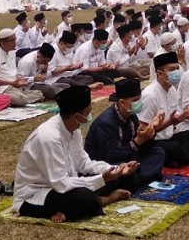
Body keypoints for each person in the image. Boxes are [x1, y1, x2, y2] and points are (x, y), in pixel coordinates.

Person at [12, 86, 138, 223]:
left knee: (118, 180)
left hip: (65, 184)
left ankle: (65, 209)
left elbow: (84, 163)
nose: (90, 116)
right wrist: (102, 179)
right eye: (88, 112)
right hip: (37, 192)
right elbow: (61, 184)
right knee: (83, 198)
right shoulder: (49, 137)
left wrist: (114, 169)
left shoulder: (74, 128)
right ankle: (106, 200)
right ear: (77, 116)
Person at [84, 79, 165, 191]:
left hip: (128, 157)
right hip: (106, 163)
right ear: (122, 102)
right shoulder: (106, 122)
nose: (139, 103)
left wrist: (150, 130)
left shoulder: (131, 114)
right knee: (123, 172)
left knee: (158, 152)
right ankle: (138, 179)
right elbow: (110, 156)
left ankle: (137, 178)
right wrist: (137, 141)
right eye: (135, 100)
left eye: (139, 99)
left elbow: (143, 147)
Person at [139, 52, 189, 167]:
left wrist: (187, 114)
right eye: (172, 69)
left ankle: (173, 157)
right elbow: (143, 134)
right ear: (160, 73)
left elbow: (176, 117)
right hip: (153, 143)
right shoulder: (150, 95)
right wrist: (170, 122)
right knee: (174, 148)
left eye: (177, 68)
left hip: (169, 137)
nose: (177, 72)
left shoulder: (172, 89)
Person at [0, 29, 45, 106]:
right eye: (12, 40)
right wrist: (11, 83)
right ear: (3, 43)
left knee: (39, 93)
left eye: (15, 39)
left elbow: (13, 73)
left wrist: (19, 81)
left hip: (14, 86)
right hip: (1, 88)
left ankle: (12, 99)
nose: (15, 43)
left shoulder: (12, 52)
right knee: (22, 100)